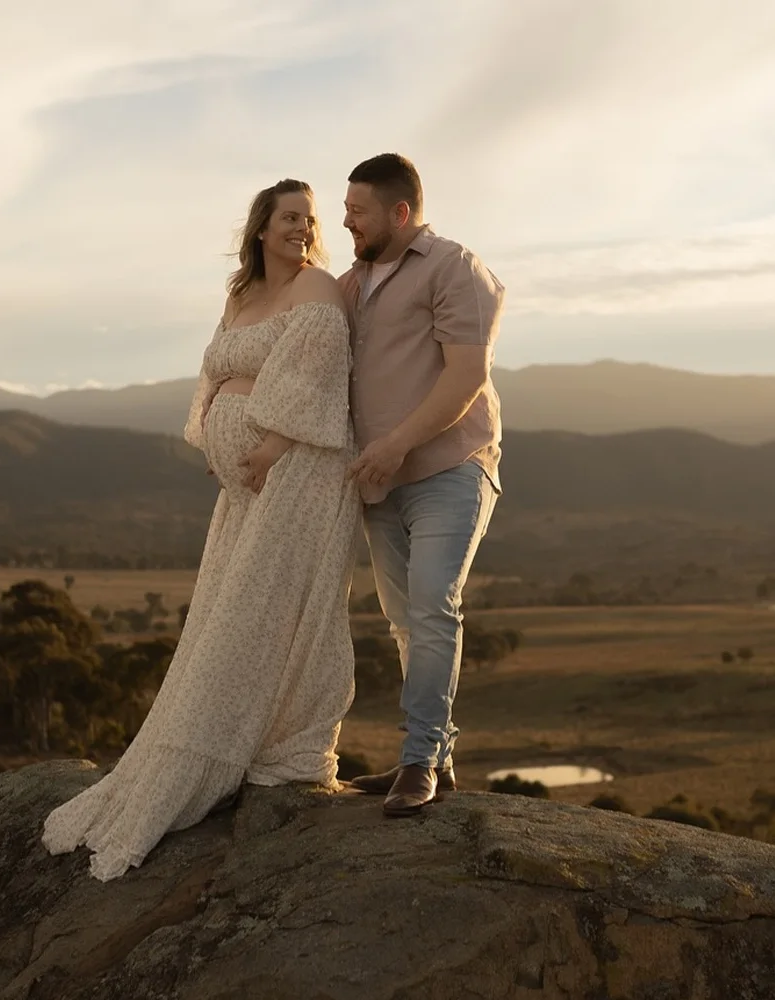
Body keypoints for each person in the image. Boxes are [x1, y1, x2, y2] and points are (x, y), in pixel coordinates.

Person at [42, 179, 362, 880]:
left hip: (298, 478)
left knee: (267, 613)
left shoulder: (321, 292)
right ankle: (221, 750)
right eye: (288, 218)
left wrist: (269, 449)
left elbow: (319, 385)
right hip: (246, 488)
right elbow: (214, 376)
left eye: (308, 219)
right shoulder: (240, 297)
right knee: (226, 613)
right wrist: (221, 447)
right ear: (260, 227)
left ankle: (267, 748)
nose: (301, 229)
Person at [338, 153, 505, 817]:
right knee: (406, 622)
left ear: (399, 212)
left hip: (449, 470)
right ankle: (438, 758)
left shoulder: (454, 268)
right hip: (379, 482)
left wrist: (397, 445)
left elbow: (464, 376)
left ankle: (418, 759)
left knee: (435, 605)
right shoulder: (350, 284)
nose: (346, 221)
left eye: (358, 211)